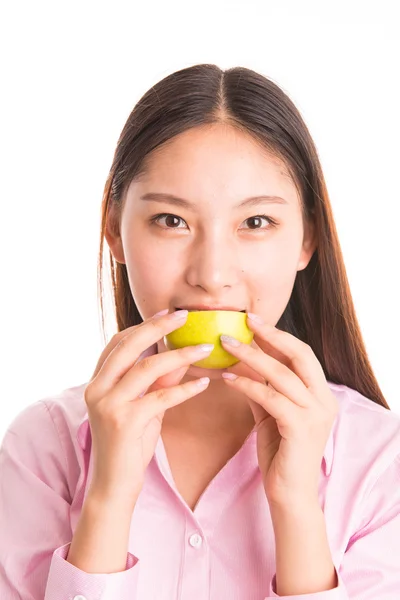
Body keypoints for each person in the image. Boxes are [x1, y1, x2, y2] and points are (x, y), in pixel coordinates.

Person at [0, 63, 399, 600]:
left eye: (255, 223)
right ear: (114, 232)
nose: (211, 275)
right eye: (171, 220)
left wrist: (298, 509)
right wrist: (109, 498)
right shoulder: (44, 447)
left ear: (308, 241)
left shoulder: (380, 461)